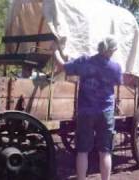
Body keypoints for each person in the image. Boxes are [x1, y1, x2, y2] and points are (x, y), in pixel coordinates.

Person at [55, 36, 122, 180]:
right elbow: (119, 81)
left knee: (82, 151)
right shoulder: (115, 67)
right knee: (105, 152)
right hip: (106, 112)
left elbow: (62, 66)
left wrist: (54, 51)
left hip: (85, 111)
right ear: (111, 50)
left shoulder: (84, 61)